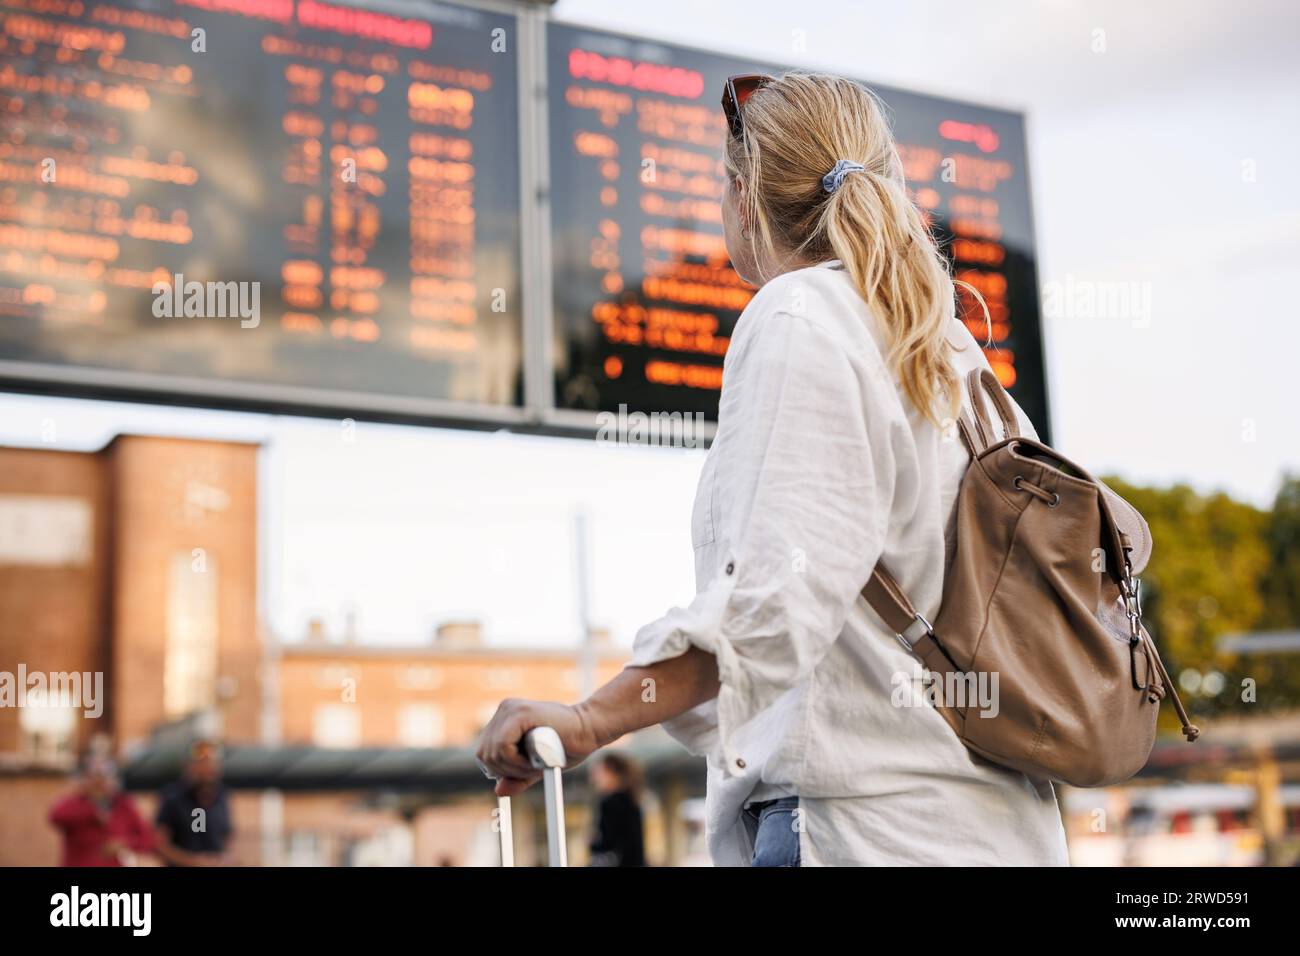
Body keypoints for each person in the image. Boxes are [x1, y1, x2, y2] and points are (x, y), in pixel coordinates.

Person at [477, 71, 1069, 866]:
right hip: (1004, 835)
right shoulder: (955, 356)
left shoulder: (800, 317)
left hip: (865, 835)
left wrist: (589, 720)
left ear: (743, 194)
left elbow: (769, 615)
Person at [49, 754, 155, 866]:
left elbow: (148, 839)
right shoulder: (78, 803)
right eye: (94, 777)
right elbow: (56, 816)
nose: (100, 783)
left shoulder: (123, 805)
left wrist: (124, 844)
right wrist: (91, 810)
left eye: (104, 778)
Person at [155, 740, 236, 866]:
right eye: (201, 763)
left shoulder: (222, 796)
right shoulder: (173, 796)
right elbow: (160, 844)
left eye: (210, 764)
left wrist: (225, 858)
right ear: (189, 767)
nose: (206, 768)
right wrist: (193, 861)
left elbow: (228, 836)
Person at [587, 752, 645, 867]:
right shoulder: (631, 801)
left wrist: (592, 843)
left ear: (612, 773)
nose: (593, 779)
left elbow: (608, 846)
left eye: (599, 773)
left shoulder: (612, 804)